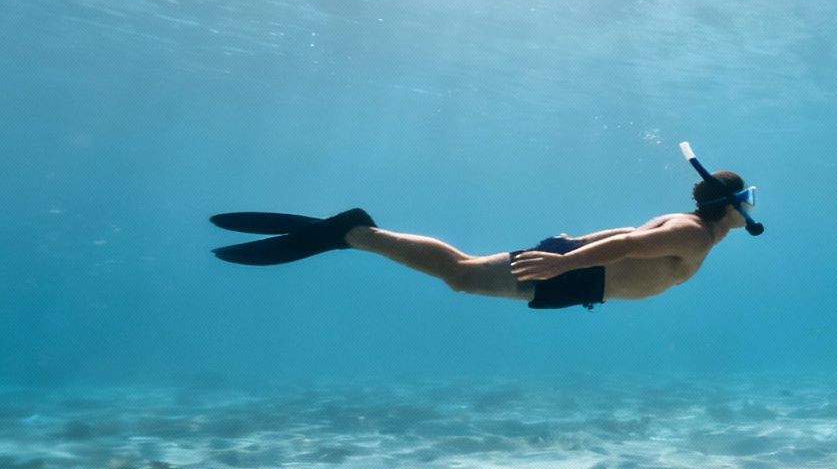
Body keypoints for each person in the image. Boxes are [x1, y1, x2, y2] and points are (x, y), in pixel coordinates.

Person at [209, 148, 760, 311]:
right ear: (731, 205)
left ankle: (351, 235)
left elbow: (626, 234)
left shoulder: (687, 225)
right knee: (461, 275)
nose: (751, 209)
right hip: (575, 275)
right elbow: (632, 243)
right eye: (748, 200)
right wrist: (564, 260)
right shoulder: (693, 234)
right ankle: (355, 233)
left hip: (579, 272)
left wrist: (573, 245)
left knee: (463, 272)